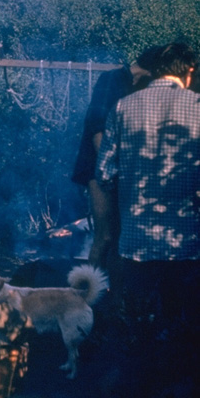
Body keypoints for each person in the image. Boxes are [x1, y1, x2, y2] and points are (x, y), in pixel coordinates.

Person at [96, 42, 200, 393]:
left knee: (137, 329)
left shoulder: (123, 107)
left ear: (155, 70)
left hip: (136, 244)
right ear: (189, 71)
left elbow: (105, 173)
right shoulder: (199, 108)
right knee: (182, 328)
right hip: (186, 246)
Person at [72, 47, 160, 272]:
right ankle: (88, 297)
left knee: (121, 236)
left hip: (122, 170)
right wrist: (110, 167)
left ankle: (116, 298)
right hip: (98, 168)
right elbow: (97, 128)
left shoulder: (138, 88)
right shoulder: (112, 79)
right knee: (106, 235)